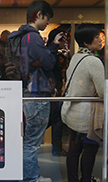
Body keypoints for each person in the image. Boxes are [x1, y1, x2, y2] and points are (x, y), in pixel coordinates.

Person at [8, 1, 63, 182]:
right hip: (36, 95)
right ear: (39, 14)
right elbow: (47, 62)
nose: (48, 22)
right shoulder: (32, 37)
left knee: (31, 141)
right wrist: (53, 47)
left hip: (30, 93)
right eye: (47, 18)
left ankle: (32, 176)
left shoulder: (22, 36)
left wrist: (49, 46)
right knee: (31, 143)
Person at [61, 24, 104, 182]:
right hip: (87, 113)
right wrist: (107, 88)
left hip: (72, 110)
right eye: (96, 37)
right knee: (90, 148)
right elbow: (101, 92)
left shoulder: (76, 57)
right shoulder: (94, 61)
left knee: (74, 149)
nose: (100, 39)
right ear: (87, 42)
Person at [46, 27, 68, 157]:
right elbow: (48, 70)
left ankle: (57, 146)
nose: (65, 42)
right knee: (55, 118)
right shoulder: (51, 52)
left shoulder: (51, 52)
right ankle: (56, 147)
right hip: (52, 90)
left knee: (54, 118)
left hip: (53, 89)